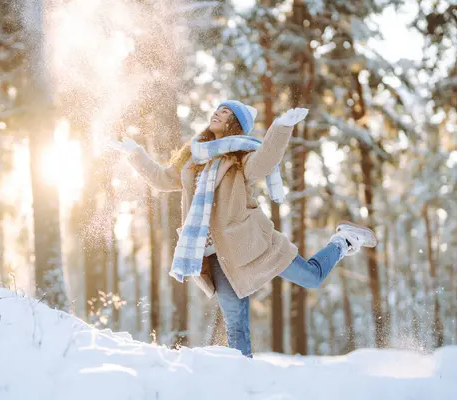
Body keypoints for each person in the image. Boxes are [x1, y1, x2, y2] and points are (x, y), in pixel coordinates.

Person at [109, 101, 377, 357]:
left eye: (226, 112)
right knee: (235, 323)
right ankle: (242, 381)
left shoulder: (240, 158)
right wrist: (135, 153)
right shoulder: (192, 158)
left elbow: (265, 161)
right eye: (218, 110)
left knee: (312, 278)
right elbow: (161, 179)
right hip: (217, 256)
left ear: (235, 123)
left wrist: (280, 127)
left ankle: (342, 241)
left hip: (253, 245)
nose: (217, 114)